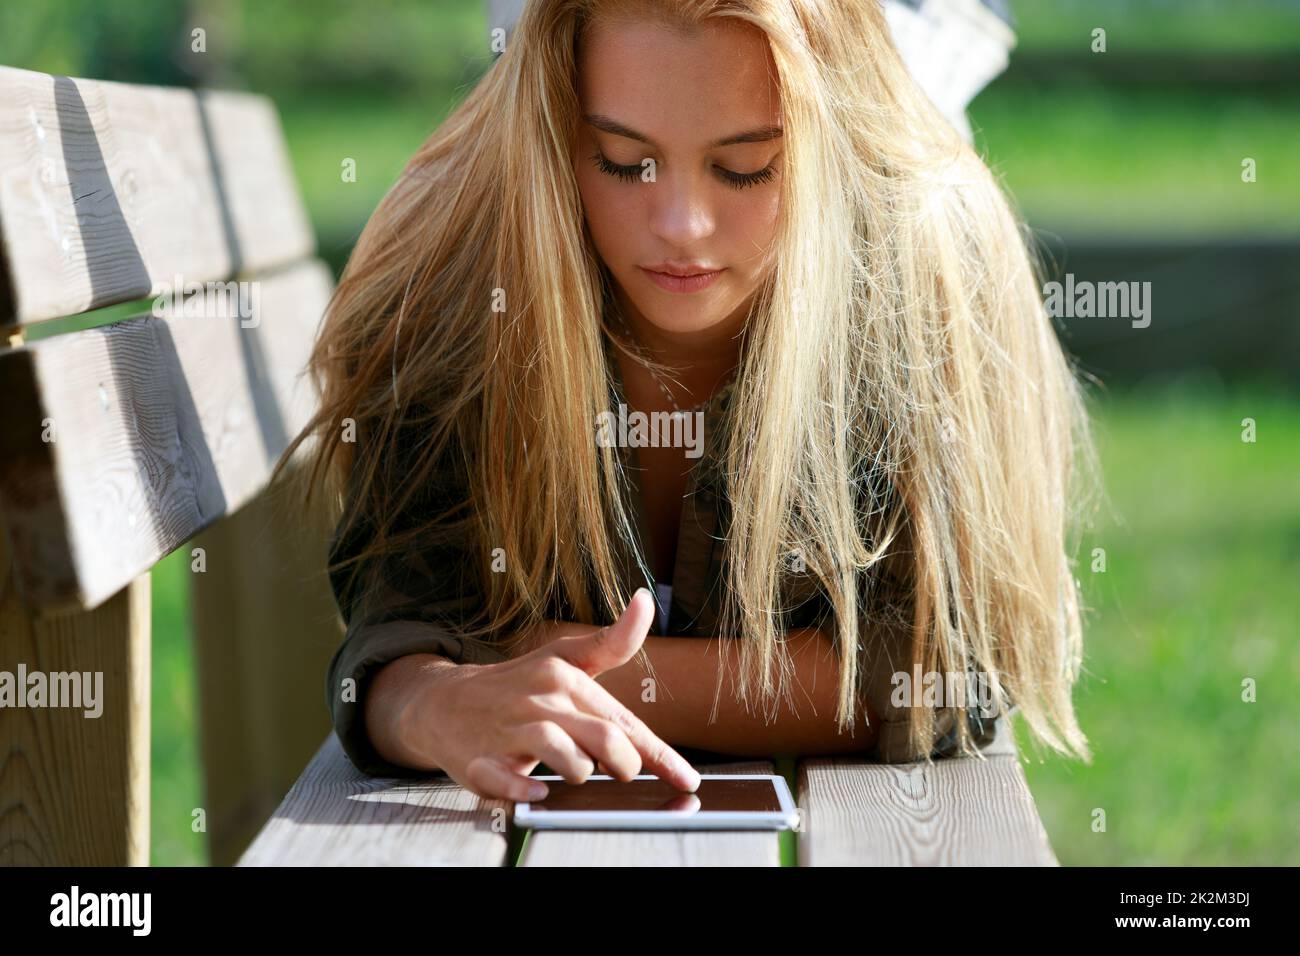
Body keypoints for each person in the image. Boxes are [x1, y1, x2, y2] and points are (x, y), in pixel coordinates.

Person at [277, 0, 1097, 804]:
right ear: (557, 133)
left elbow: (950, 670)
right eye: (622, 158)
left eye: (745, 166)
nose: (681, 224)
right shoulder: (452, 276)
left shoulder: (925, 261)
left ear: (835, 147)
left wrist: (599, 675)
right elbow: (401, 626)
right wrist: (431, 706)